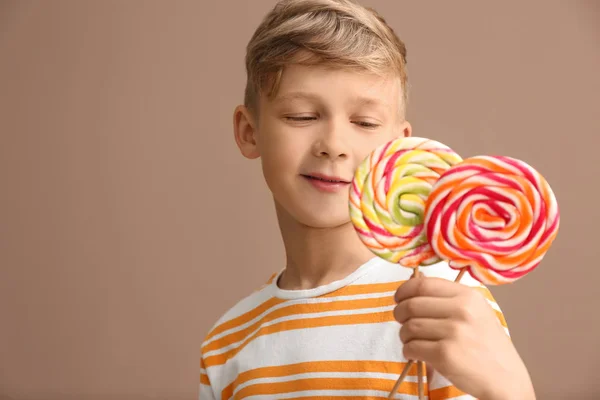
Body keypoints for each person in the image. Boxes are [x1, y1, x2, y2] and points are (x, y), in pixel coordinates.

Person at [199, 0, 536, 398]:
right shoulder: (227, 344)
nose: (334, 145)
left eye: (365, 122)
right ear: (249, 131)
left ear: (401, 146)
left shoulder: (444, 310)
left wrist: (510, 390)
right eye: (302, 116)